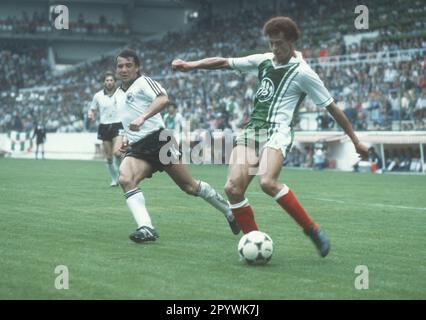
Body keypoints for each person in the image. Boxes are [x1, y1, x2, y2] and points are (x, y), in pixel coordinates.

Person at [172, 16, 369, 257]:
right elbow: (225, 62)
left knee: (267, 182)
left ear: (292, 41)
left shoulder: (304, 73)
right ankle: (253, 242)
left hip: (278, 131)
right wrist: (191, 65)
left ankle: (312, 229)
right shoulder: (264, 60)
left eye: (279, 43)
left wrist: (355, 140)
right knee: (233, 188)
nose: (274, 49)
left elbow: (333, 108)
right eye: (271, 43)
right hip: (254, 129)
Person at [114, 49, 239, 243]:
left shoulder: (143, 82)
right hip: (139, 148)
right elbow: (125, 121)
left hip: (160, 140)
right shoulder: (117, 95)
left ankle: (230, 212)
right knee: (125, 178)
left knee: (189, 187)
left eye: (128, 65)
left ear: (137, 67)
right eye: (120, 66)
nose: (124, 69)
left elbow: (163, 99)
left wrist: (143, 117)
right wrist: (124, 138)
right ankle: (146, 227)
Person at [88, 71, 123, 187]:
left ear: (115, 82)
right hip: (104, 126)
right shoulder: (97, 96)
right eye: (107, 80)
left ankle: (121, 175)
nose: (109, 82)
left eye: (111, 80)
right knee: (108, 157)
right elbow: (92, 109)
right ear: (104, 82)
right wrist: (91, 115)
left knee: (117, 153)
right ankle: (114, 179)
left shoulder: (121, 93)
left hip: (118, 124)